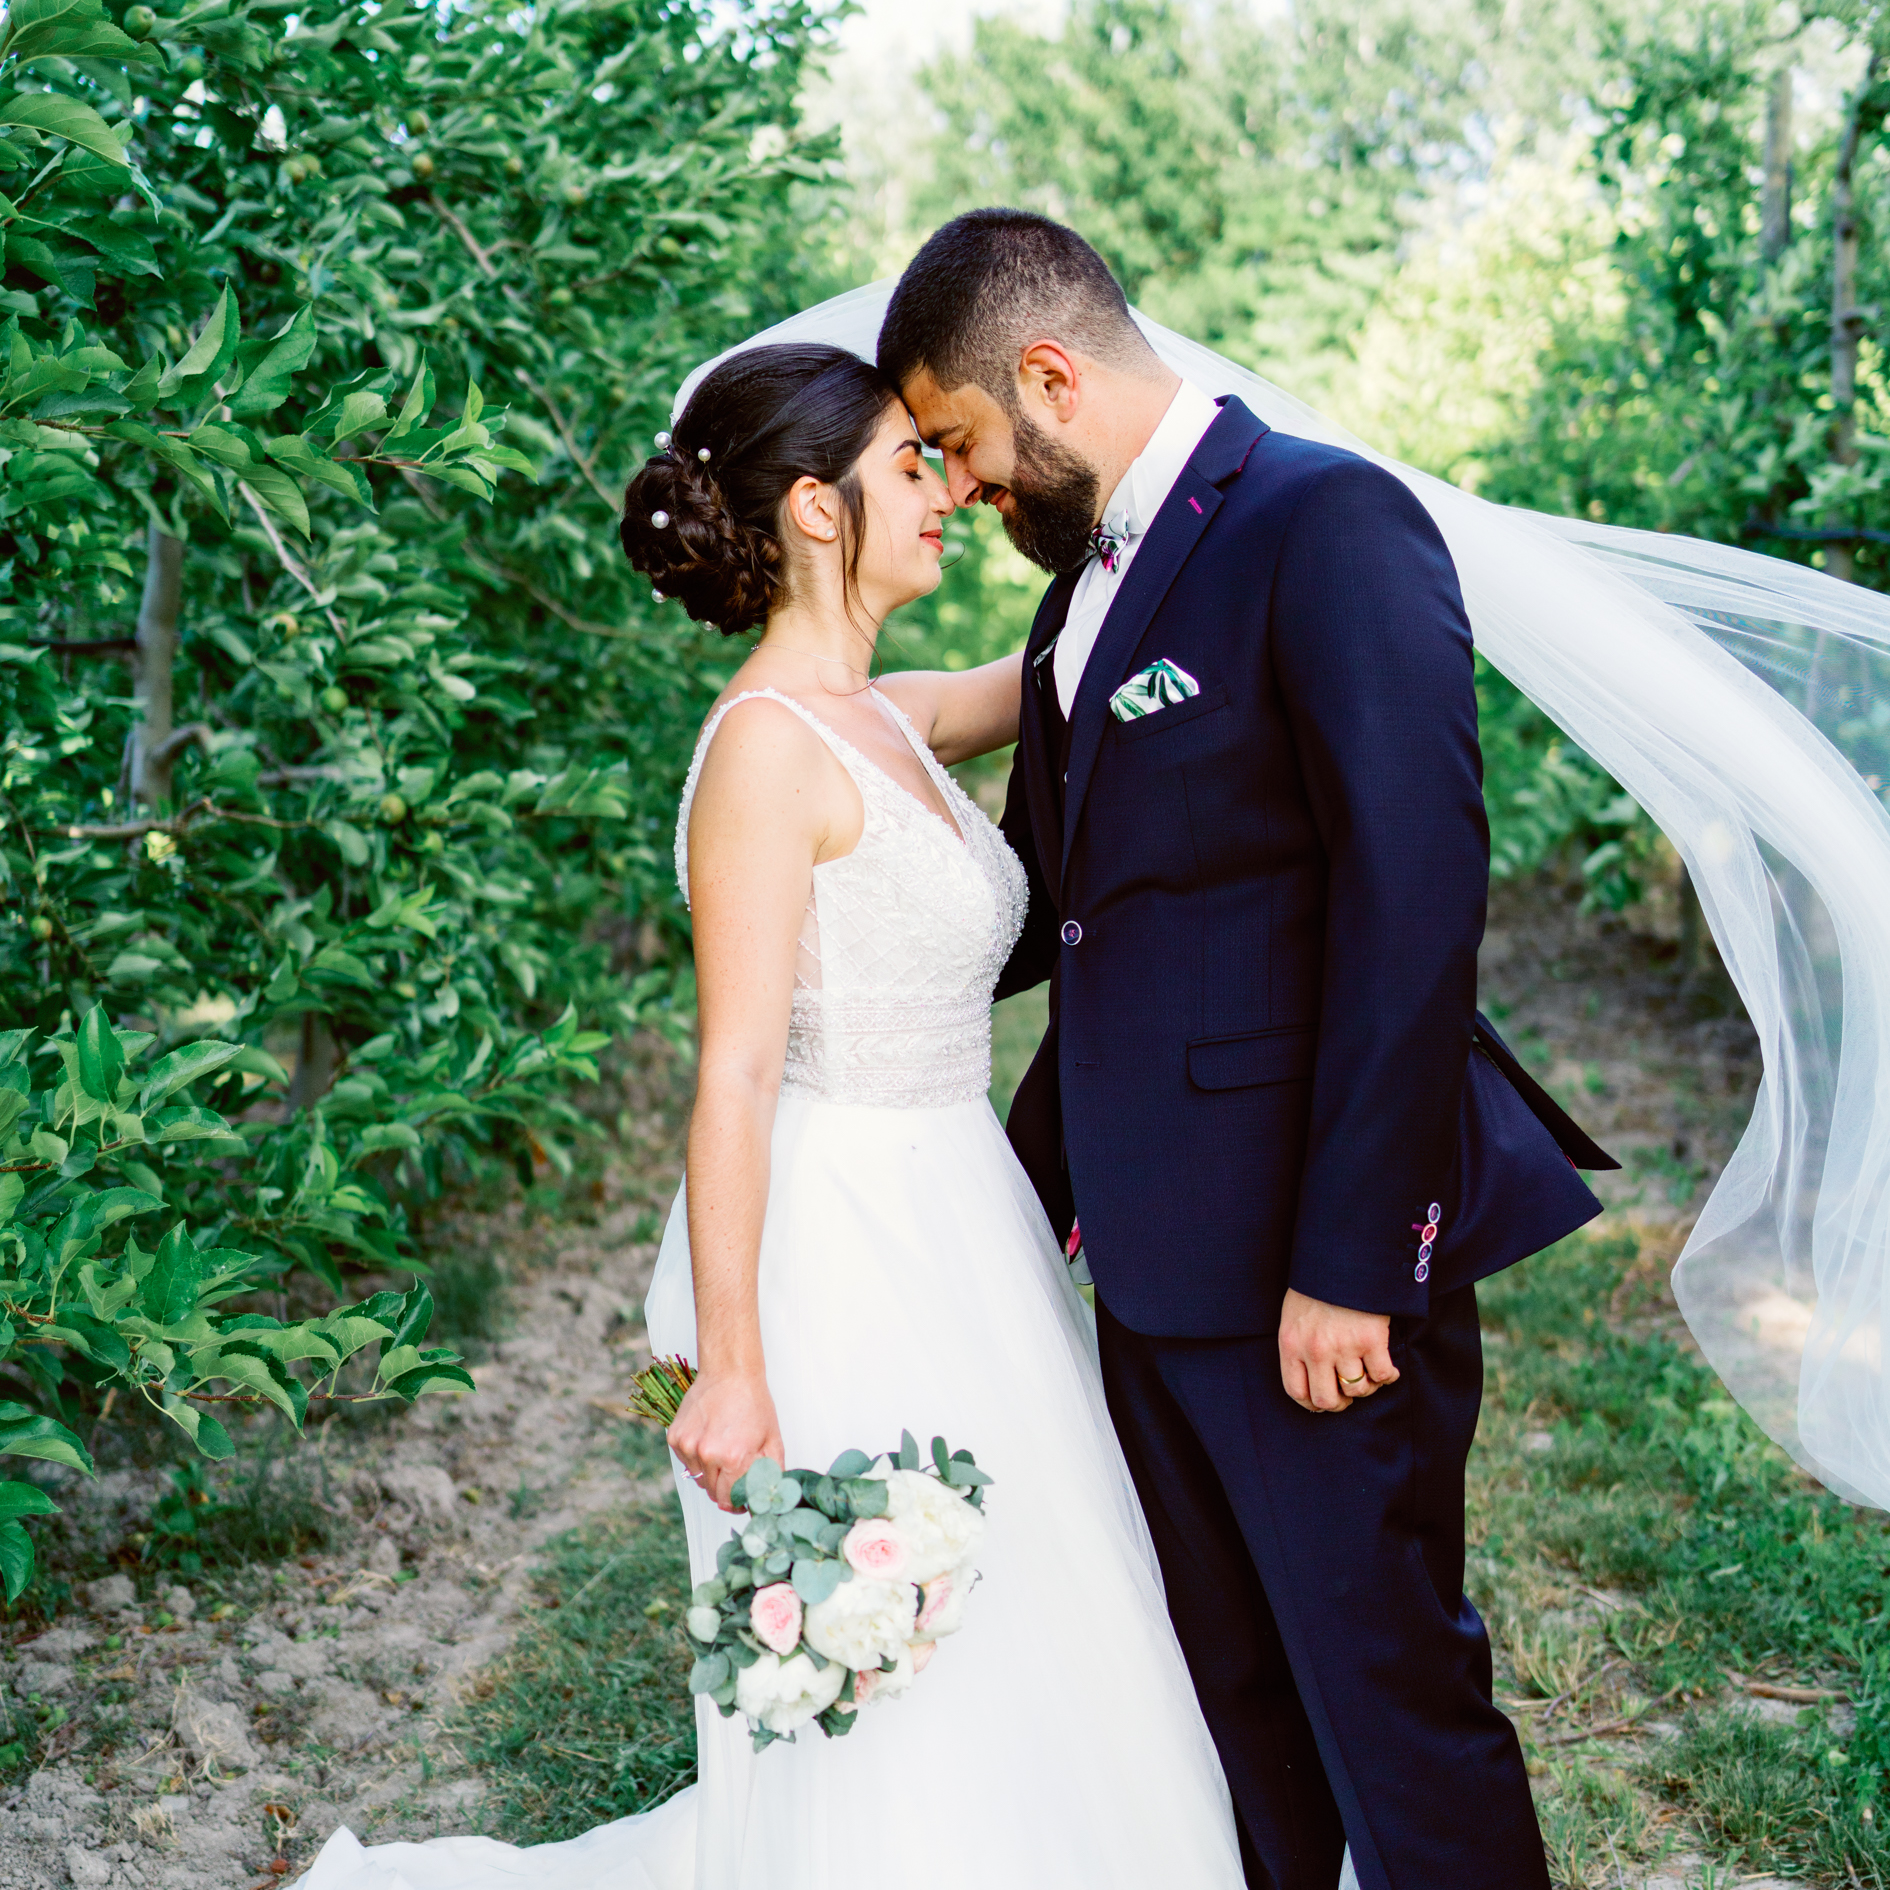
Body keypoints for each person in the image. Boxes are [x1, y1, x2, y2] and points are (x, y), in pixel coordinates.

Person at [298, 341, 1249, 1890]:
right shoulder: (761, 751)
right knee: (901, 1644)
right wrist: (732, 1364)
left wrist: (1181, 512)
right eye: (908, 466)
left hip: (961, 1211)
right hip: (840, 1237)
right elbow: (731, 1071)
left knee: (1034, 1600)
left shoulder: (886, 716)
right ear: (816, 509)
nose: (947, 491)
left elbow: (1082, 663)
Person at [870, 209, 1618, 1890]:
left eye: (969, 448)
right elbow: (1063, 913)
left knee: (1389, 1696)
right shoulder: (1086, 594)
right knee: (1234, 1706)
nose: (970, 492)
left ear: (1048, 376)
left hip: (1312, 1273)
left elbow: (1412, 896)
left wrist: (1354, 1262)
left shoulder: (1323, 522)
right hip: (1145, 1261)